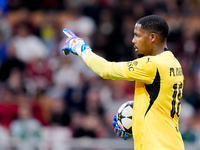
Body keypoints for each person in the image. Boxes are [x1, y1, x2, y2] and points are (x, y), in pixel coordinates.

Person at [61, 15, 185, 150]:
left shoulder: (152, 65)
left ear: (153, 37)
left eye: (137, 35)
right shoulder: (173, 63)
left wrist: (80, 48)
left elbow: (106, 70)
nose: (133, 40)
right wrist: (136, 117)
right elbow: (160, 102)